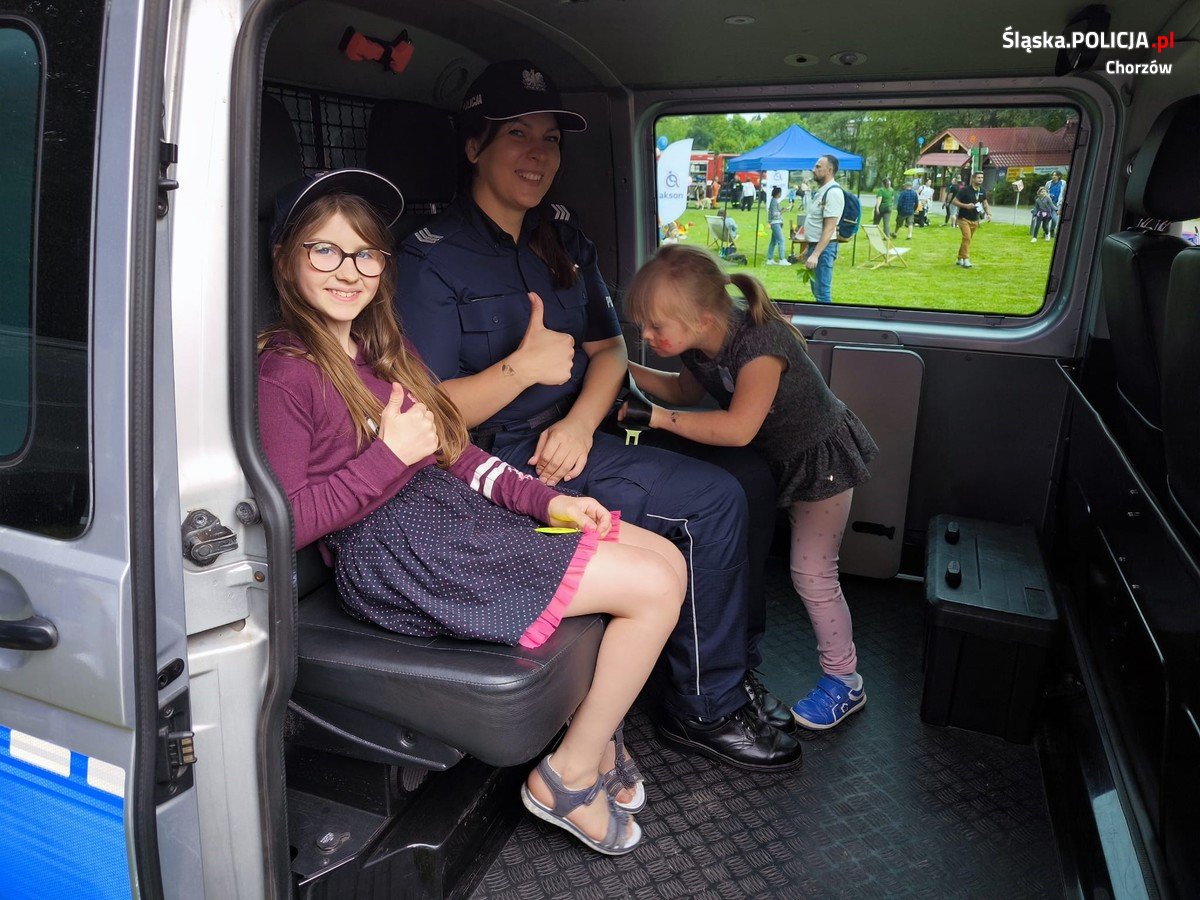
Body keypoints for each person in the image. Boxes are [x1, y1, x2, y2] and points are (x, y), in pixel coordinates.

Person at [257, 169, 687, 855]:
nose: (350, 270)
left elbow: (459, 457)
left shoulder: (381, 349)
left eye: (367, 253)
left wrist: (552, 500)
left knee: (661, 555)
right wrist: (388, 456)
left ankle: (599, 739)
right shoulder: (285, 373)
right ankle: (569, 776)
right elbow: (287, 524)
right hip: (397, 556)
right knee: (656, 587)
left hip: (445, 516)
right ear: (286, 259)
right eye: (325, 251)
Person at [393, 59, 802, 772]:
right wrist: (519, 371)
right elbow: (427, 416)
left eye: (549, 138)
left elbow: (610, 350)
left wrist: (582, 422)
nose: (538, 153)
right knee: (712, 502)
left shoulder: (562, 238)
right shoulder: (430, 261)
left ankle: (730, 664)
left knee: (750, 473)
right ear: (473, 147)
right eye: (516, 133)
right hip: (496, 458)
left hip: (578, 428)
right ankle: (705, 708)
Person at [621, 244, 879, 730]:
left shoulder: (759, 345)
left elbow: (737, 428)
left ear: (699, 319)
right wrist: (619, 365)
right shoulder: (699, 346)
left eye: (656, 326)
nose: (646, 335)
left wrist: (654, 418)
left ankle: (845, 681)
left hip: (819, 466)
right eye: (642, 327)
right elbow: (682, 392)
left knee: (812, 575)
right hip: (773, 462)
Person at [800, 154, 844, 304]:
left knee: (823, 293)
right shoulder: (822, 191)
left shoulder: (833, 193)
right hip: (817, 247)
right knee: (817, 291)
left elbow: (829, 228)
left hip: (824, 250)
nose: (814, 169)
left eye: (818, 166)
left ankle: (828, 325)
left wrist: (816, 254)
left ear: (829, 170)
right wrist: (809, 249)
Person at [951, 171, 991, 268]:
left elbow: (985, 203)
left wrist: (988, 213)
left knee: (967, 239)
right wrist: (966, 206)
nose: (981, 179)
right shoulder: (965, 190)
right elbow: (954, 201)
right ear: (973, 178)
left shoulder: (982, 191)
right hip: (963, 218)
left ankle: (960, 258)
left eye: (982, 177)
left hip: (975, 219)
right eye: (978, 177)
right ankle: (966, 259)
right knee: (967, 237)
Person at [765, 186, 788, 265]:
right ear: (778, 193)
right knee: (781, 241)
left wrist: (783, 209)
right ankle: (782, 259)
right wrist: (782, 211)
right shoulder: (774, 202)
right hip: (775, 223)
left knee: (773, 242)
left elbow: (777, 210)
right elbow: (775, 214)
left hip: (775, 223)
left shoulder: (774, 201)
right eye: (780, 193)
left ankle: (770, 259)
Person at [1046, 171, 1066, 238]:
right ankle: (1046, 232)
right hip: (1049, 204)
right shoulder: (1048, 183)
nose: (1053, 176)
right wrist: (1049, 195)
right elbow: (1045, 192)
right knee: (1046, 218)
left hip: (1057, 204)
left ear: (1059, 176)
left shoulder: (1063, 183)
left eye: (1055, 175)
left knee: (1055, 219)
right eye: (1053, 175)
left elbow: (1064, 193)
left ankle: (1052, 230)